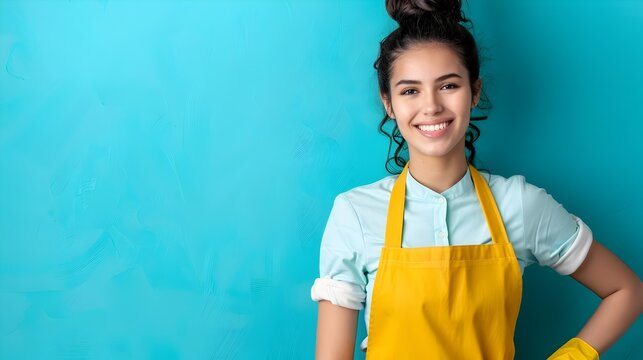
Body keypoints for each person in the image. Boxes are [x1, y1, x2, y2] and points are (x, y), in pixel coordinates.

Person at [310, 0, 643, 359]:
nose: (431, 106)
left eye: (448, 86)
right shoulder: (355, 215)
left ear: (475, 91)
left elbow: (626, 290)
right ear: (388, 103)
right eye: (410, 90)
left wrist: (573, 355)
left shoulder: (519, 204)